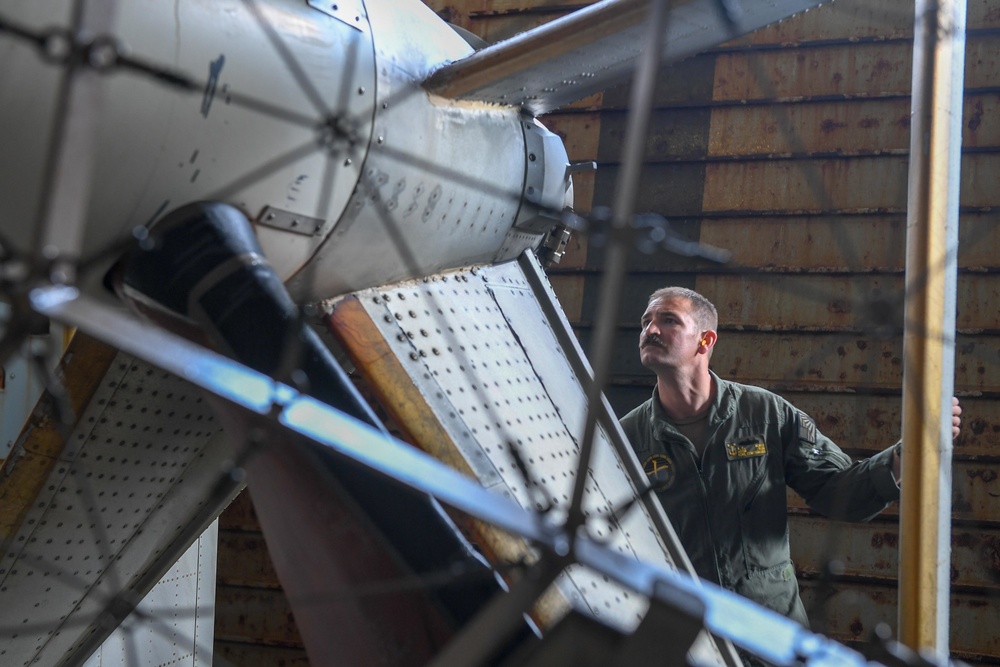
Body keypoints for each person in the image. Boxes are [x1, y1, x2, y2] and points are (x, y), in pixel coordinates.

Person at [619, 286, 962, 630]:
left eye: (668, 321)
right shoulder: (627, 437)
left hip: (768, 630)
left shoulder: (766, 414)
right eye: (646, 322)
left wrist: (912, 449)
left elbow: (843, 492)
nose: (651, 330)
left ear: (705, 341)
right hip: (682, 631)